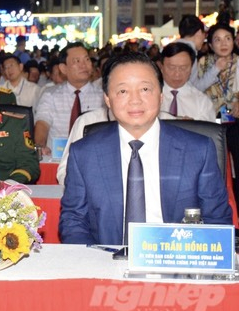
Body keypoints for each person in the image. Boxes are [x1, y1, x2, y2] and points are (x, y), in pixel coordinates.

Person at [59, 52, 233, 245]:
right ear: (108, 100)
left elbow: (217, 221)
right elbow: (73, 221)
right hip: (106, 263)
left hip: (177, 262)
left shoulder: (198, 150)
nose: (135, 100)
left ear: (160, 95)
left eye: (144, 89)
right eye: (123, 91)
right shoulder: (84, 154)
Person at [35, 42, 104, 155]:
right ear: (63, 68)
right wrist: (40, 146)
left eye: (86, 60)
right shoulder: (50, 95)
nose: (83, 65)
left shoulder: (103, 97)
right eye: (77, 61)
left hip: (93, 157)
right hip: (57, 158)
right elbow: (42, 123)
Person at [160, 42, 215, 122]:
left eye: (183, 68)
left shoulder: (202, 102)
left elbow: (209, 132)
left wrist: (192, 128)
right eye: (172, 67)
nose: (177, 74)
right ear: (161, 67)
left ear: (191, 69)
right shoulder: (149, 95)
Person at [197, 23, 239, 119]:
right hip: (209, 118)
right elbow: (196, 89)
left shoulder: (238, 62)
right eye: (218, 40)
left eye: (228, 38)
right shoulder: (203, 62)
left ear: (233, 41)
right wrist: (215, 69)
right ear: (211, 45)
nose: (224, 43)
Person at [176, 14, 217, 92]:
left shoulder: (172, 48)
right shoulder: (189, 53)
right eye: (204, 34)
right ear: (198, 33)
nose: (204, 38)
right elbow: (196, 88)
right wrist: (216, 68)